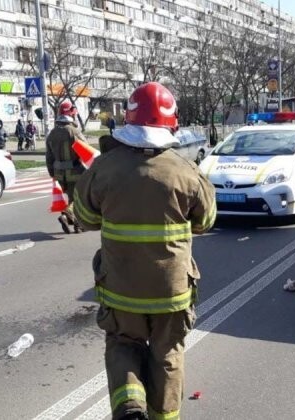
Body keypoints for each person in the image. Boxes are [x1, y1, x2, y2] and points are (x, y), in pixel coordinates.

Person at [74, 82, 216, 420]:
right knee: (167, 356)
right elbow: (206, 220)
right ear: (171, 124)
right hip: (171, 292)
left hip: (121, 291)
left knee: (124, 344)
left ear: (130, 119)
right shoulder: (185, 172)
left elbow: (85, 217)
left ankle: (129, 408)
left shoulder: (104, 168)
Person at [45, 101, 86, 234]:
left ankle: (76, 224)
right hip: (75, 171)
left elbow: (49, 157)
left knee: (72, 197)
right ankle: (67, 214)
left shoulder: (51, 134)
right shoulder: (73, 131)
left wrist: (52, 173)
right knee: (78, 199)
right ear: (70, 114)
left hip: (59, 173)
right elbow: (85, 150)